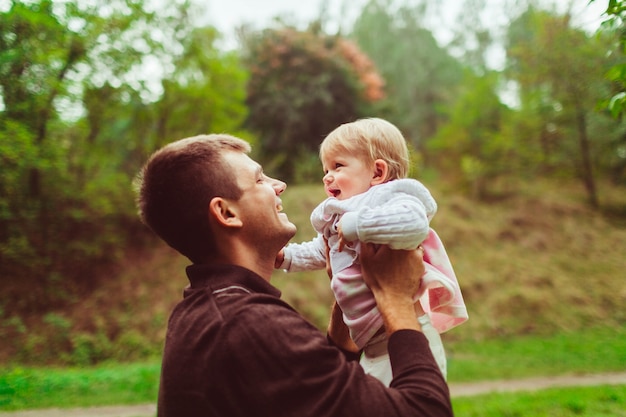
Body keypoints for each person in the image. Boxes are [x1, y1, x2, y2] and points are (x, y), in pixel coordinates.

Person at [134, 133, 454, 417]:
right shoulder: (249, 326)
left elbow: (312, 393)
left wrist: (346, 314)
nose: (279, 185)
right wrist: (397, 300)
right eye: (260, 180)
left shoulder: (206, 312)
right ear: (226, 213)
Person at [275, 118, 468, 385]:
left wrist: (358, 225)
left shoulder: (389, 197)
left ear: (377, 172)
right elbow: (322, 250)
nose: (327, 176)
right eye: (326, 169)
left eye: (338, 166)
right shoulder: (339, 214)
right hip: (370, 345)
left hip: (406, 335)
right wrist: (288, 257)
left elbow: (414, 224)